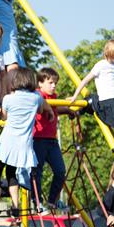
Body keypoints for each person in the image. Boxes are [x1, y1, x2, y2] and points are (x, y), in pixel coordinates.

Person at [0, 68, 53, 219]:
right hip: (22, 146)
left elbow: (5, 117)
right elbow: (41, 109)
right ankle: (15, 206)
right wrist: (49, 112)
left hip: (6, 144)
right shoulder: (36, 97)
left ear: (16, 81)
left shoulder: (8, 99)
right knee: (12, 174)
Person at [31, 68, 71, 210]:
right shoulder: (37, 95)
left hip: (52, 140)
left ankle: (52, 201)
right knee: (37, 171)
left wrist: (68, 110)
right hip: (38, 139)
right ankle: (37, 202)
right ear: (40, 83)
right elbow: (41, 107)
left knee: (60, 171)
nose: (54, 86)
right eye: (50, 83)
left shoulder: (54, 97)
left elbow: (55, 109)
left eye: (55, 83)